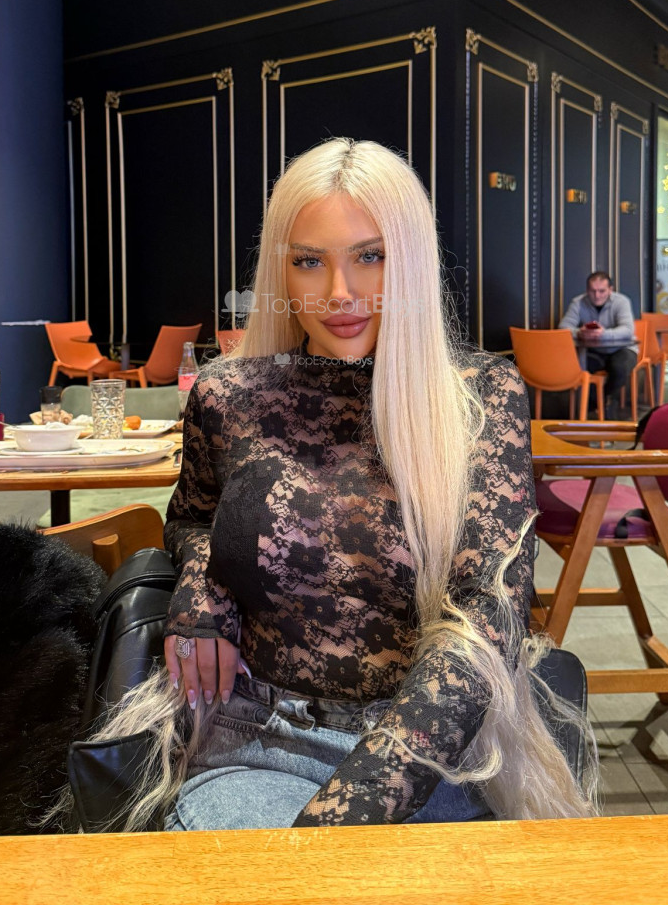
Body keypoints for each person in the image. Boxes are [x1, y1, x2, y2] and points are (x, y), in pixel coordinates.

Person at [89, 138, 596, 831]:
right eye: (308, 261)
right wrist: (205, 586)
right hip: (260, 739)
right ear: (280, 268)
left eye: (370, 256)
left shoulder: (478, 397)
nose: (339, 293)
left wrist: (343, 821)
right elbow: (193, 517)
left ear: (410, 260)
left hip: (439, 755)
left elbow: (487, 613)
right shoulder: (229, 393)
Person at [559, 271, 638, 416]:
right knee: (576, 369)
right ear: (587, 290)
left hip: (622, 349)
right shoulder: (578, 302)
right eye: (592, 291)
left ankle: (603, 402)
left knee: (619, 368)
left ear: (610, 290)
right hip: (593, 351)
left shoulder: (621, 301)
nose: (597, 295)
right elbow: (563, 328)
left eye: (602, 291)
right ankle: (592, 406)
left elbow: (628, 330)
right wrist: (579, 332)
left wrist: (603, 334)